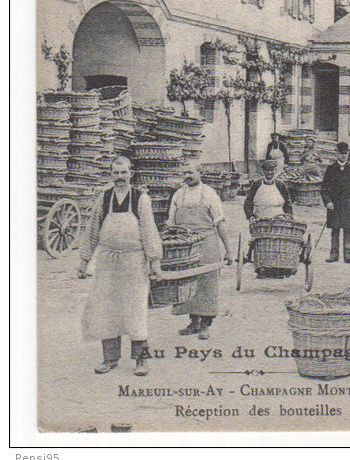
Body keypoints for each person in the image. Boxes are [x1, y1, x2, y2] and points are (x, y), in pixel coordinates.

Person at [77, 156, 162, 376]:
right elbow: (92, 230)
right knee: (107, 309)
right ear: (111, 174)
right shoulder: (104, 198)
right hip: (108, 261)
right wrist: (84, 261)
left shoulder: (140, 198)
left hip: (134, 261)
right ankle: (110, 359)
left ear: (130, 174)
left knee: (135, 309)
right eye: (115, 173)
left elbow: (149, 231)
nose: (120, 177)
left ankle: (141, 360)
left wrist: (155, 263)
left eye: (123, 173)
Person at [169, 163, 233, 340]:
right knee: (188, 283)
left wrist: (228, 250)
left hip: (207, 243)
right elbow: (171, 223)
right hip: (186, 246)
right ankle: (193, 322)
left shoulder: (209, 194)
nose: (187, 175)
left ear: (200, 173)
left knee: (207, 283)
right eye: (185, 172)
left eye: (190, 172)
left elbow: (219, 222)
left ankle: (206, 324)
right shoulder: (178, 195)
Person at [320, 141, 350, 264]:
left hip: (348, 205)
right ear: (336, 153)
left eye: (345, 153)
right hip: (334, 205)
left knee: (347, 229)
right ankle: (334, 254)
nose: (343, 156)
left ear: (348, 153)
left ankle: (348, 255)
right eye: (341, 153)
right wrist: (328, 202)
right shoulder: (330, 169)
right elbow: (324, 189)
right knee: (335, 229)